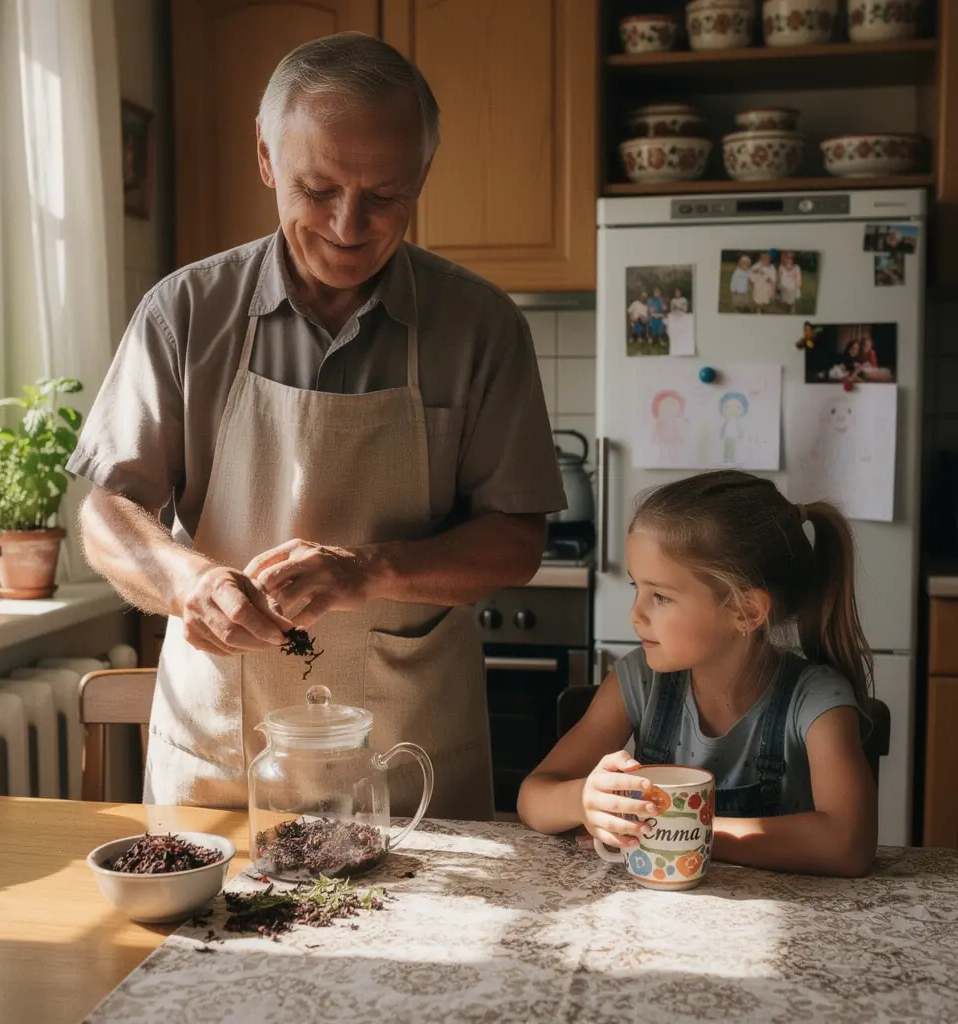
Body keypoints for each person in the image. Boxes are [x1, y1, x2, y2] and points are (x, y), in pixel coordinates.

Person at [68, 33, 565, 820]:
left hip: (409, 763)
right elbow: (106, 513)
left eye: (385, 195)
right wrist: (190, 582)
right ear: (266, 157)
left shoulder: (480, 327)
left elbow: (517, 540)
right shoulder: (187, 313)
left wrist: (368, 571)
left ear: (423, 176)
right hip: (223, 756)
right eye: (318, 188)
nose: (348, 223)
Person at [516, 470, 877, 878]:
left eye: (661, 596)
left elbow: (848, 844)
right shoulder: (638, 681)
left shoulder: (815, 701)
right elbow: (533, 796)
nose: (635, 614)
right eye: (637, 587)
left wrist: (682, 832)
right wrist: (581, 800)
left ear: (746, 611)